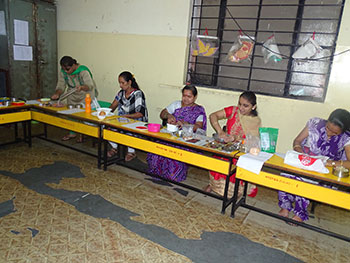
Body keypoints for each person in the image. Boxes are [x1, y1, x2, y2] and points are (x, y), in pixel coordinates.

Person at [278, 109, 350, 223]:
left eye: (335, 133)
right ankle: (285, 206)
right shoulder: (315, 123)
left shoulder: (346, 138)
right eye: (328, 128)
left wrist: (328, 163)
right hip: (306, 161)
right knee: (286, 174)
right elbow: (297, 141)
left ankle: (300, 212)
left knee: (307, 180)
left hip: (326, 169)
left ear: (343, 131)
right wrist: (300, 151)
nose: (329, 133)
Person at [205, 91, 261, 196]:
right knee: (218, 159)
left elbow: (252, 142)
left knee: (234, 166)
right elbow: (213, 116)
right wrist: (220, 131)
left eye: (245, 106)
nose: (241, 108)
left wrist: (236, 138)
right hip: (227, 148)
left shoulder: (255, 121)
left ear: (253, 107)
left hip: (241, 152)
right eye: (239, 104)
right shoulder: (233, 110)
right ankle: (213, 185)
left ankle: (230, 192)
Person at [146, 85, 207, 182]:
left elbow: (198, 126)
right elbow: (162, 114)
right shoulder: (176, 104)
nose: (186, 99)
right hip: (171, 136)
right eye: (184, 96)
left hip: (186, 139)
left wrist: (186, 124)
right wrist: (169, 115)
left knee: (174, 154)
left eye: (189, 96)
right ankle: (156, 172)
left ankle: (173, 174)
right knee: (156, 149)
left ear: (195, 97)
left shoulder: (198, 110)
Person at [51, 56, 98, 142]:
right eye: (64, 69)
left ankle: (82, 134)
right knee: (71, 114)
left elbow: (90, 86)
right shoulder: (64, 72)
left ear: (73, 65)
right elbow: (61, 84)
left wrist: (82, 87)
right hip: (72, 94)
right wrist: (57, 93)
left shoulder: (83, 71)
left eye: (68, 69)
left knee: (83, 115)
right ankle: (72, 132)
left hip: (86, 95)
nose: (66, 71)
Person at [107, 71, 148, 162]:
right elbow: (113, 106)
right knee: (105, 127)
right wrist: (105, 113)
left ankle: (131, 152)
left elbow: (140, 113)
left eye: (123, 83)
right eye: (119, 83)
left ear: (129, 82)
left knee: (129, 131)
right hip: (123, 120)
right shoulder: (121, 93)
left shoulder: (138, 94)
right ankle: (115, 147)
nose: (120, 85)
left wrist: (126, 116)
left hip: (137, 121)